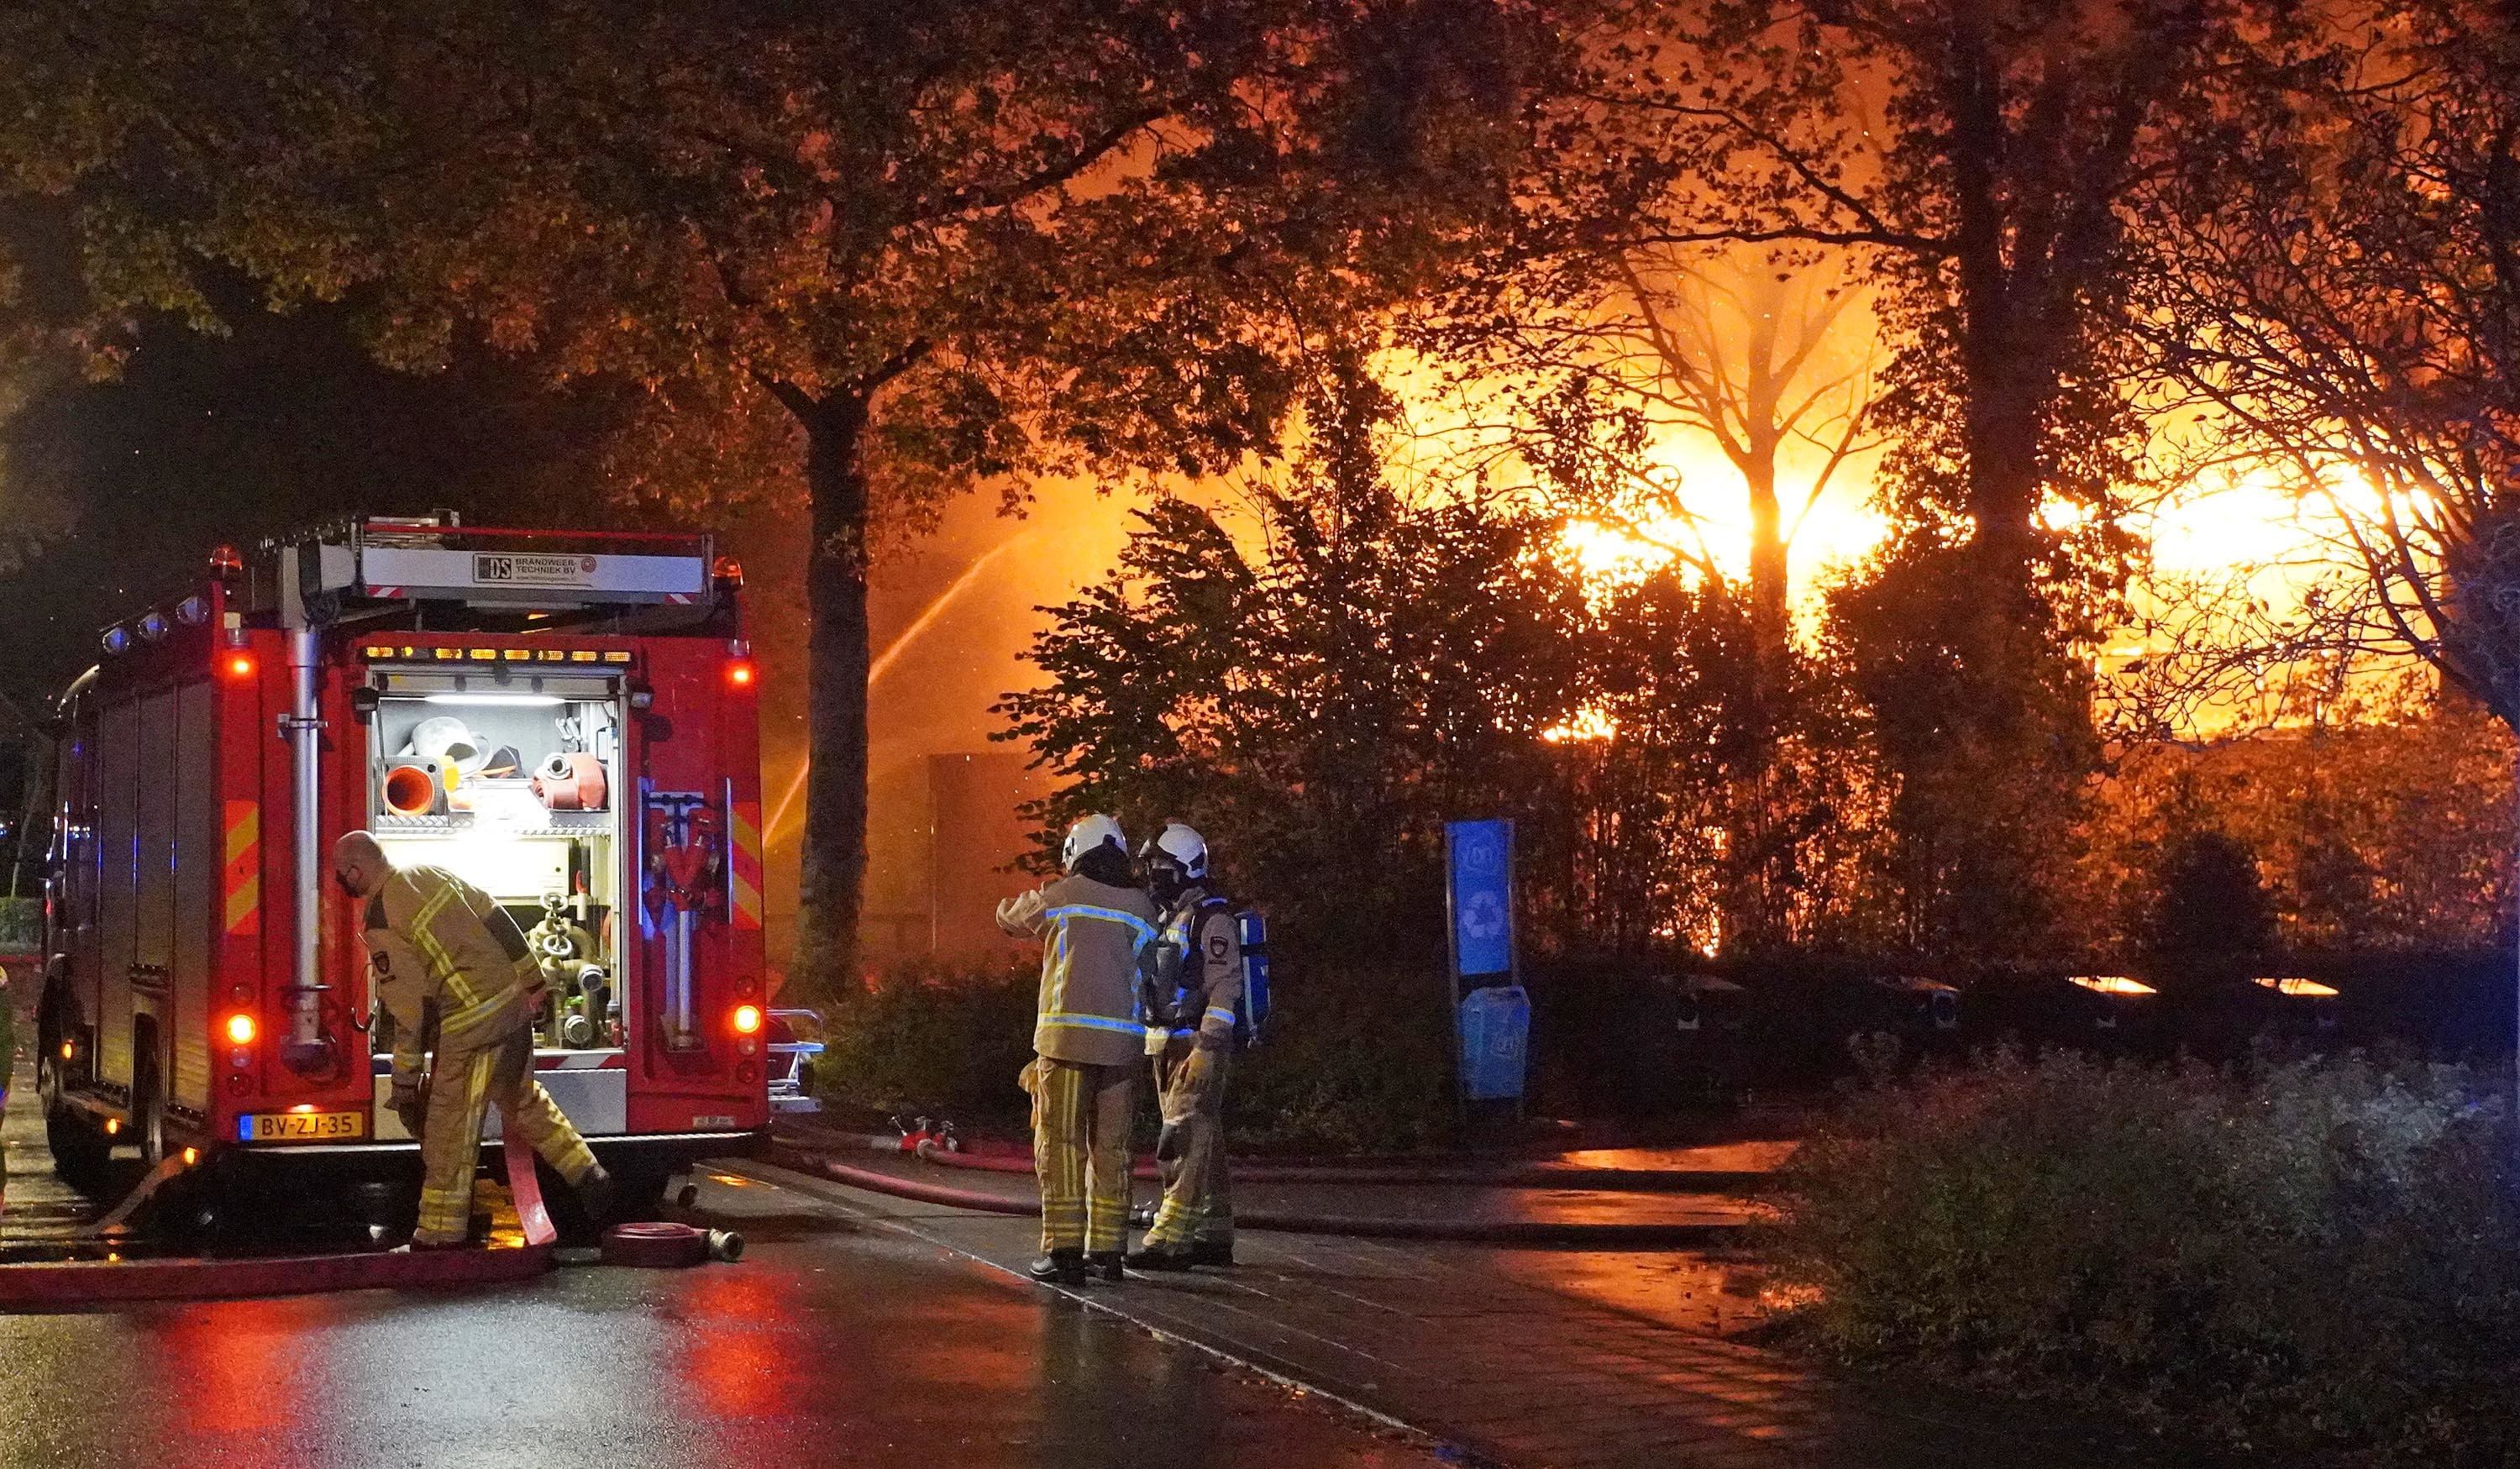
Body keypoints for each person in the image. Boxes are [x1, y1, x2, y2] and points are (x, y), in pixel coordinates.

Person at [332, 831, 613, 1248]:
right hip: (512, 1008)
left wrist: (405, 1083)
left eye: (342, 877)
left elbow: (410, 1011)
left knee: (448, 1132)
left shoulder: (380, 917)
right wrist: (533, 980)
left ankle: (438, 1237)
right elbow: (496, 917)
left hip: (470, 1025)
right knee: (520, 1099)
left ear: (355, 872)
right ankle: (589, 1174)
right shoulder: (430, 873)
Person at [996, 815, 1158, 1285]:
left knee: (1061, 1145)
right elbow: (1153, 970)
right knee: (1113, 1149)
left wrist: (1028, 898)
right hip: (1123, 1049)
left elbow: (1011, 919)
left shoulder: (1062, 896)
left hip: (1065, 1043)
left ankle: (1064, 1252)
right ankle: (1107, 1253)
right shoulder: (1141, 906)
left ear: (1075, 852)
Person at [1126, 822, 1240, 1271]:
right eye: (1151, 865)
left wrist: (1208, 1047)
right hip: (1164, 1042)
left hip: (1195, 1043)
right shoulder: (1168, 917)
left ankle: (1171, 1239)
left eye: (1162, 866)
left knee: (1181, 1137)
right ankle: (1213, 1229)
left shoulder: (1212, 920)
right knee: (1202, 1136)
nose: (1153, 874)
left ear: (1187, 868)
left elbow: (1224, 987)